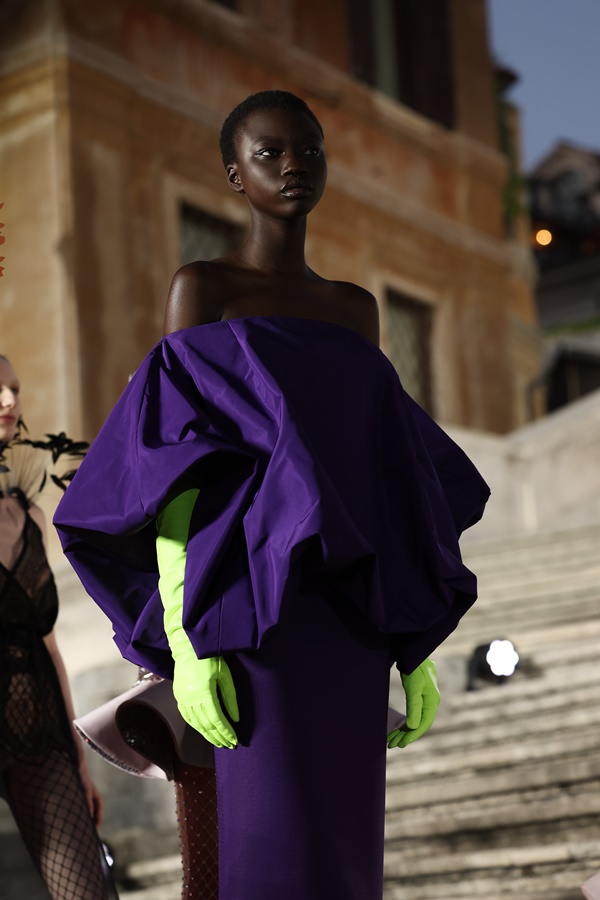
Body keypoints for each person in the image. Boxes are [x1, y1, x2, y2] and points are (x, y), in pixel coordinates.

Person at [54, 91, 490, 899]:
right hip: (254, 619)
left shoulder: (354, 310)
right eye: (270, 152)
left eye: (309, 150)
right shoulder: (203, 291)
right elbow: (173, 474)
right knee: (272, 858)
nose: (294, 165)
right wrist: (187, 645)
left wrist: (411, 649)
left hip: (351, 632)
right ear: (234, 175)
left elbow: (383, 480)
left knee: (346, 864)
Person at [0, 354, 116, 900]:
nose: (9, 402)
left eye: (14, 389)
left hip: (37, 730)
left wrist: (78, 758)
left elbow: (49, 643)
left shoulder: (30, 515)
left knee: (87, 891)